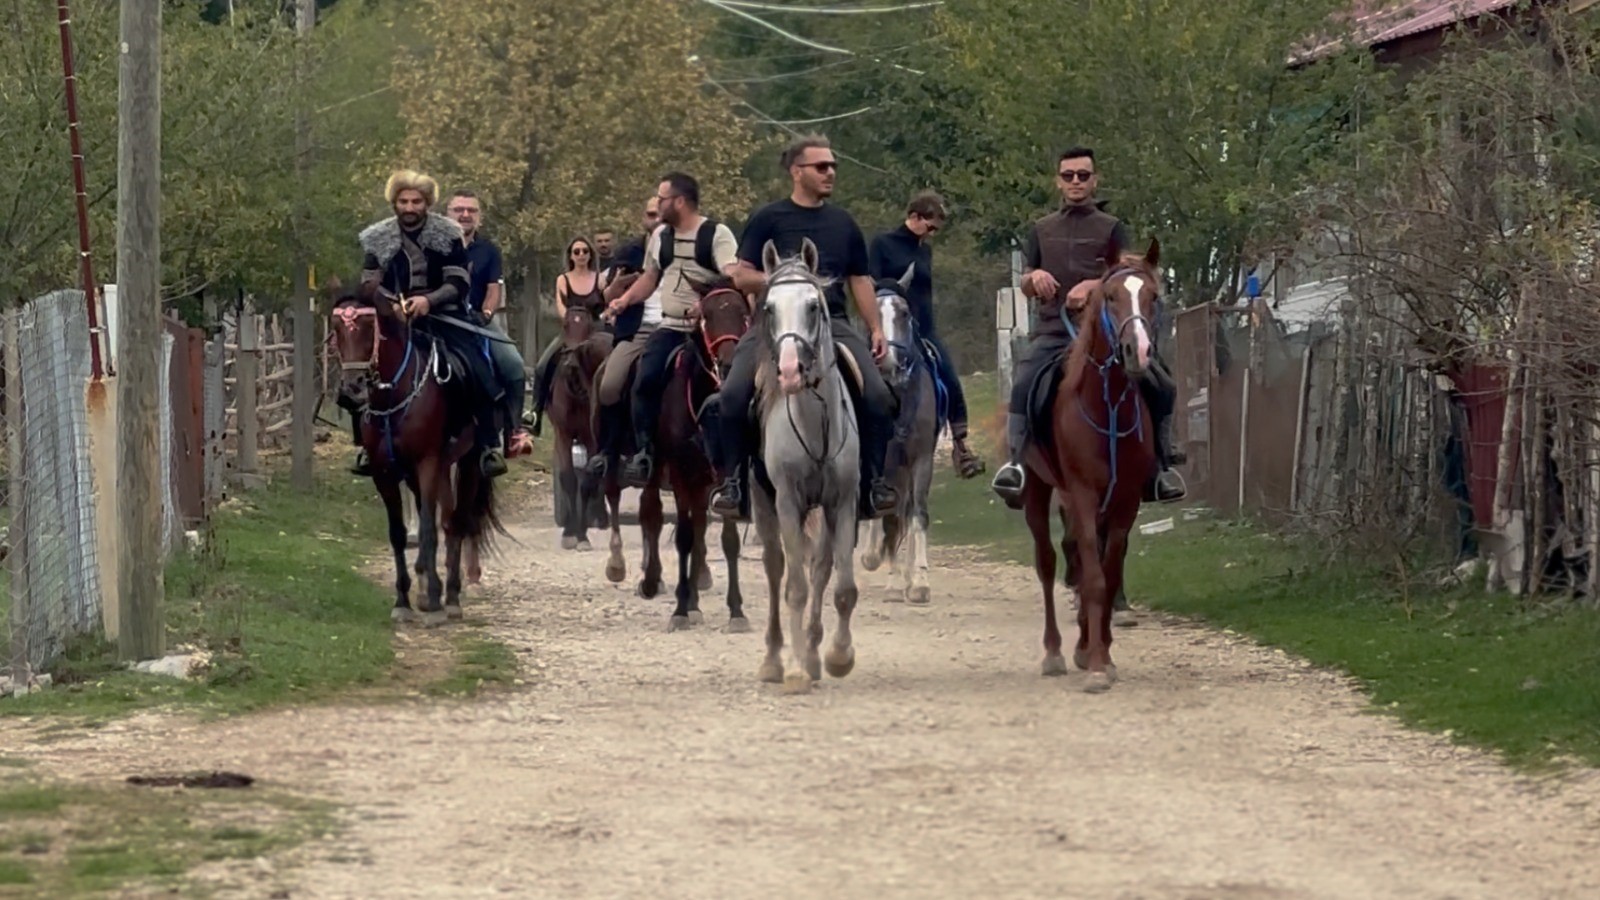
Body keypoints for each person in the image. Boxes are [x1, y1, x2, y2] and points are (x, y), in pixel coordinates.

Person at [711, 133, 899, 522]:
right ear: (797, 172)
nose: (831, 172)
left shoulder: (843, 222)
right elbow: (741, 277)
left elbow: (860, 279)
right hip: (773, 327)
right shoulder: (768, 218)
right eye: (821, 166)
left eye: (833, 166)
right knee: (730, 397)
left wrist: (876, 328)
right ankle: (733, 484)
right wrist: (785, 283)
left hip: (832, 324)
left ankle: (874, 482)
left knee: (879, 395)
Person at [989, 147, 1185, 506]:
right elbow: (1026, 279)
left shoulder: (1111, 228)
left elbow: (1128, 272)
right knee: (1025, 382)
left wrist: (1093, 287)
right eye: (1068, 176)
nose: (1075, 182)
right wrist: (1035, 279)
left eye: (1083, 175)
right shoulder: (1041, 229)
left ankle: (1161, 465)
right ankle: (1015, 465)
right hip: (1053, 331)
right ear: (1058, 181)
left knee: (1162, 383)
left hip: (1104, 334)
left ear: (1095, 181)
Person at [352, 169, 509, 478]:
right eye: (403, 201)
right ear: (394, 203)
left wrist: (428, 301)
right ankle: (365, 445)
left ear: (427, 203)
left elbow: (458, 281)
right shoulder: (377, 238)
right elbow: (368, 283)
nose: (410, 207)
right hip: (394, 318)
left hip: (445, 315)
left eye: (416, 201)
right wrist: (390, 302)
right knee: (358, 372)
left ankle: (489, 444)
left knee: (478, 367)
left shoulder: (447, 234)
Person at [605, 173, 740, 488]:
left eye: (662, 198)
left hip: (709, 330)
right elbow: (650, 278)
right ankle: (645, 452)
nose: (657, 204)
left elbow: (732, 278)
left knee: (737, 385)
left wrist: (705, 303)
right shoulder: (661, 236)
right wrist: (624, 300)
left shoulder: (716, 235)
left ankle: (742, 463)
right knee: (645, 380)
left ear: (679, 201)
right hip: (670, 326)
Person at [868, 189, 985, 479]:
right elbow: (870, 281)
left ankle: (961, 444)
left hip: (923, 327)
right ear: (914, 217)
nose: (931, 233)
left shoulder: (924, 250)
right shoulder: (882, 244)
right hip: (886, 324)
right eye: (930, 226)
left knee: (948, 372)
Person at [447, 189, 532, 459]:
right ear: (446, 215)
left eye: (471, 210)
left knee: (513, 363)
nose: (465, 215)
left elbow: (494, 289)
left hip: (476, 321)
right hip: (439, 318)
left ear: (479, 218)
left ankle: (513, 432)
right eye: (458, 209)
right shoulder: (434, 247)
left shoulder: (489, 251)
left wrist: (485, 313)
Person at [586, 196, 665, 476]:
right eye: (652, 214)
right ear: (643, 218)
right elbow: (603, 298)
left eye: (662, 214)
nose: (657, 220)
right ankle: (608, 450)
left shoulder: (687, 249)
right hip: (638, 329)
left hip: (679, 328)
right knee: (609, 384)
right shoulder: (629, 252)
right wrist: (616, 289)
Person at [527, 236, 605, 437]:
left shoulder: (600, 279)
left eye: (585, 251)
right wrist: (570, 321)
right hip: (570, 331)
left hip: (595, 332)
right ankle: (535, 412)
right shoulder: (563, 279)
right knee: (542, 366)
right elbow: (561, 307)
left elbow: (605, 305)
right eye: (576, 251)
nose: (581, 255)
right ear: (570, 255)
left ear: (590, 254)